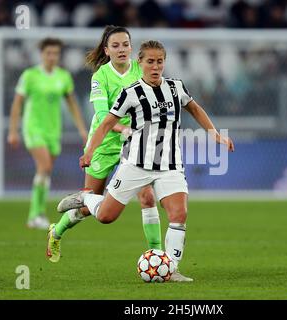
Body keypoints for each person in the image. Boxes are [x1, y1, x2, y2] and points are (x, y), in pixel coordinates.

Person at [57, 40, 235, 282]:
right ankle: (85, 197)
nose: (155, 66)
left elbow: (195, 108)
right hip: (136, 165)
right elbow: (107, 123)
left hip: (170, 166)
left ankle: (171, 269)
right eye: (150, 61)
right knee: (107, 216)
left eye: (159, 61)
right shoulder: (131, 93)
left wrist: (213, 132)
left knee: (179, 214)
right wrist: (89, 151)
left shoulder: (176, 88)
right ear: (139, 63)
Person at [46, 26, 163, 263]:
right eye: (116, 46)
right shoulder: (100, 77)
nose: (122, 49)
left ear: (131, 47)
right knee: (92, 204)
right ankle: (56, 232)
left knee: (147, 196)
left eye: (126, 44)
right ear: (106, 50)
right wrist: (122, 128)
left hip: (134, 145)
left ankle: (159, 256)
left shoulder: (141, 72)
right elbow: (101, 116)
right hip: (103, 144)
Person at [8, 38, 88, 229]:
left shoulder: (63, 76)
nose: (52, 57)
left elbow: (72, 103)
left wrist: (82, 128)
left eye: (55, 53)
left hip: (53, 130)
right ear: (41, 54)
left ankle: (36, 214)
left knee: (45, 171)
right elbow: (17, 103)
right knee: (44, 166)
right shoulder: (30, 75)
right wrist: (13, 131)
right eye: (48, 53)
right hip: (33, 128)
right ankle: (36, 214)